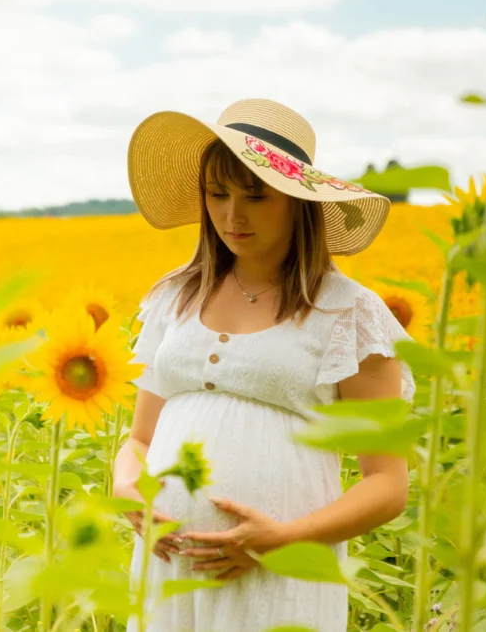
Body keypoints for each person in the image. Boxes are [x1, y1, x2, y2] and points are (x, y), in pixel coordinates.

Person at [113, 98, 416, 631]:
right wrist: (127, 488)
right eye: (218, 194)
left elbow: (387, 483)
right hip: (167, 572)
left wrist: (279, 541)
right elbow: (140, 438)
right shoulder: (175, 298)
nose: (233, 214)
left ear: (298, 202)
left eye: (256, 196)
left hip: (280, 574)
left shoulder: (347, 312)